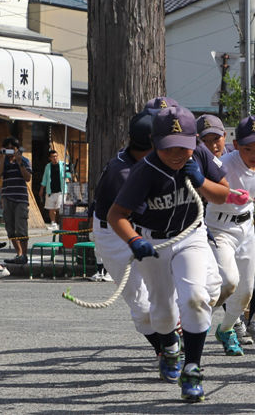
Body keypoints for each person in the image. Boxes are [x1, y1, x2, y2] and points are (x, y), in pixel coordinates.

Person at [108, 106, 229, 403]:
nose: (176, 155)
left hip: (191, 235)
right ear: (153, 141)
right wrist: (134, 240)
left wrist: (201, 181)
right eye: (167, 148)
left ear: (195, 140)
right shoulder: (144, 170)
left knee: (195, 298)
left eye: (183, 147)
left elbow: (223, 193)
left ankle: (193, 370)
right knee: (162, 314)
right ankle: (170, 348)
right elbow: (116, 214)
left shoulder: (199, 155)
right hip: (154, 243)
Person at [92, 108, 162, 356]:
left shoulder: (144, 159)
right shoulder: (122, 173)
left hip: (143, 227)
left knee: (172, 293)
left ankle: (174, 342)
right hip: (114, 234)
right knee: (142, 305)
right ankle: (164, 351)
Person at [196, 114, 255, 344]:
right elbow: (200, 188)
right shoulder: (222, 165)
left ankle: (228, 327)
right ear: (237, 145)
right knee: (228, 282)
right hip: (220, 227)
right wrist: (225, 194)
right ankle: (190, 323)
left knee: (251, 286)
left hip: (246, 227)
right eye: (248, 149)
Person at [0, 137, 32, 265]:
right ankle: (19, 254)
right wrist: (2, 158)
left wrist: (19, 161)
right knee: (10, 229)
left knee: (21, 228)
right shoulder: (3, 162)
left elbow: (27, 178)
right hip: (7, 198)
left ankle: (24, 255)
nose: (10, 150)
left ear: (17, 149)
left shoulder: (25, 160)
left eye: (12, 148)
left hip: (21, 199)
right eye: (7, 148)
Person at [39, 150, 68, 230]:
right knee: (51, 208)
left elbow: (68, 174)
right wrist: (41, 189)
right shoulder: (48, 166)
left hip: (60, 190)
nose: (55, 158)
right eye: (53, 156)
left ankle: (62, 223)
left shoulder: (62, 164)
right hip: (50, 191)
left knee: (60, 207)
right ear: (50, 158)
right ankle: (53, 223)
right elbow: (45, 178)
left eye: (56, 156)